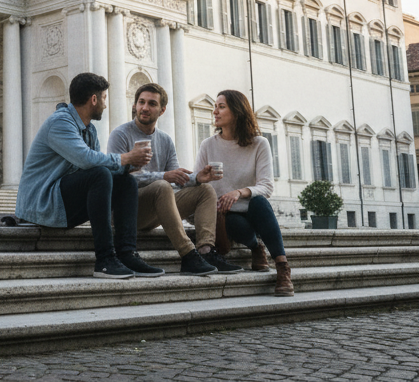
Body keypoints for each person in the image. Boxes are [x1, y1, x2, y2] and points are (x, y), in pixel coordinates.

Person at [15, 72, 164, 279]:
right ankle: (104, 260)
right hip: (43, 203)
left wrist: (129, 165)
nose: (105, 104)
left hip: (63, 202)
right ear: (94, 99)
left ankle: (127, 254)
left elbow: (95, 166)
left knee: (126, 182)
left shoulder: (89, 129)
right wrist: (125, 157)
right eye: (104, 98)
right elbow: (87, 161)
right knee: (100, 175)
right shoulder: (60, 123)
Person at [107, 83, 241, 276]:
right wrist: (163, 176)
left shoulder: (165, 140)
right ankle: (188, 254)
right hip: (126, 212)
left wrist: (197, 178)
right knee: (162, 186)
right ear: (135, 105)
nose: (145, 107)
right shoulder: (120, 134)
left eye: (152, 104)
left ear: (162, 110)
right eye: (141, 102)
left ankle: (206, 251)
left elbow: (175, 177)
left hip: (156, 207)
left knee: (205, 190)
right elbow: (118, 177)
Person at [196, 89, 294, 296]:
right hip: (225, 213)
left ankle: (282, 266)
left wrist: (239, 192)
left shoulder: (259, 143)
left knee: (260, 202)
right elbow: (197, 185)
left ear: (238, 112)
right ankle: (256, 247)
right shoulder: (208, 145)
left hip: (252, 207)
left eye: (221, 107)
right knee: (233, 222)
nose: (215, 111)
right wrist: (202, 179)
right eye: (215, 106)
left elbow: (266, 186)